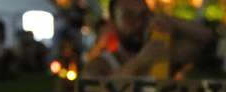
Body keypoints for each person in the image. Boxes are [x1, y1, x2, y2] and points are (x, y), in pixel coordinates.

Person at [82, 0, 213, 78]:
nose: (138, 22)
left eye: (144, 15)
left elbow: (206, 37)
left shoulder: (164, 56)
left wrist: (168, 20)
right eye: (129, 16)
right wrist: (141, 61)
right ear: (113, 23)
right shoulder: (100, 65)